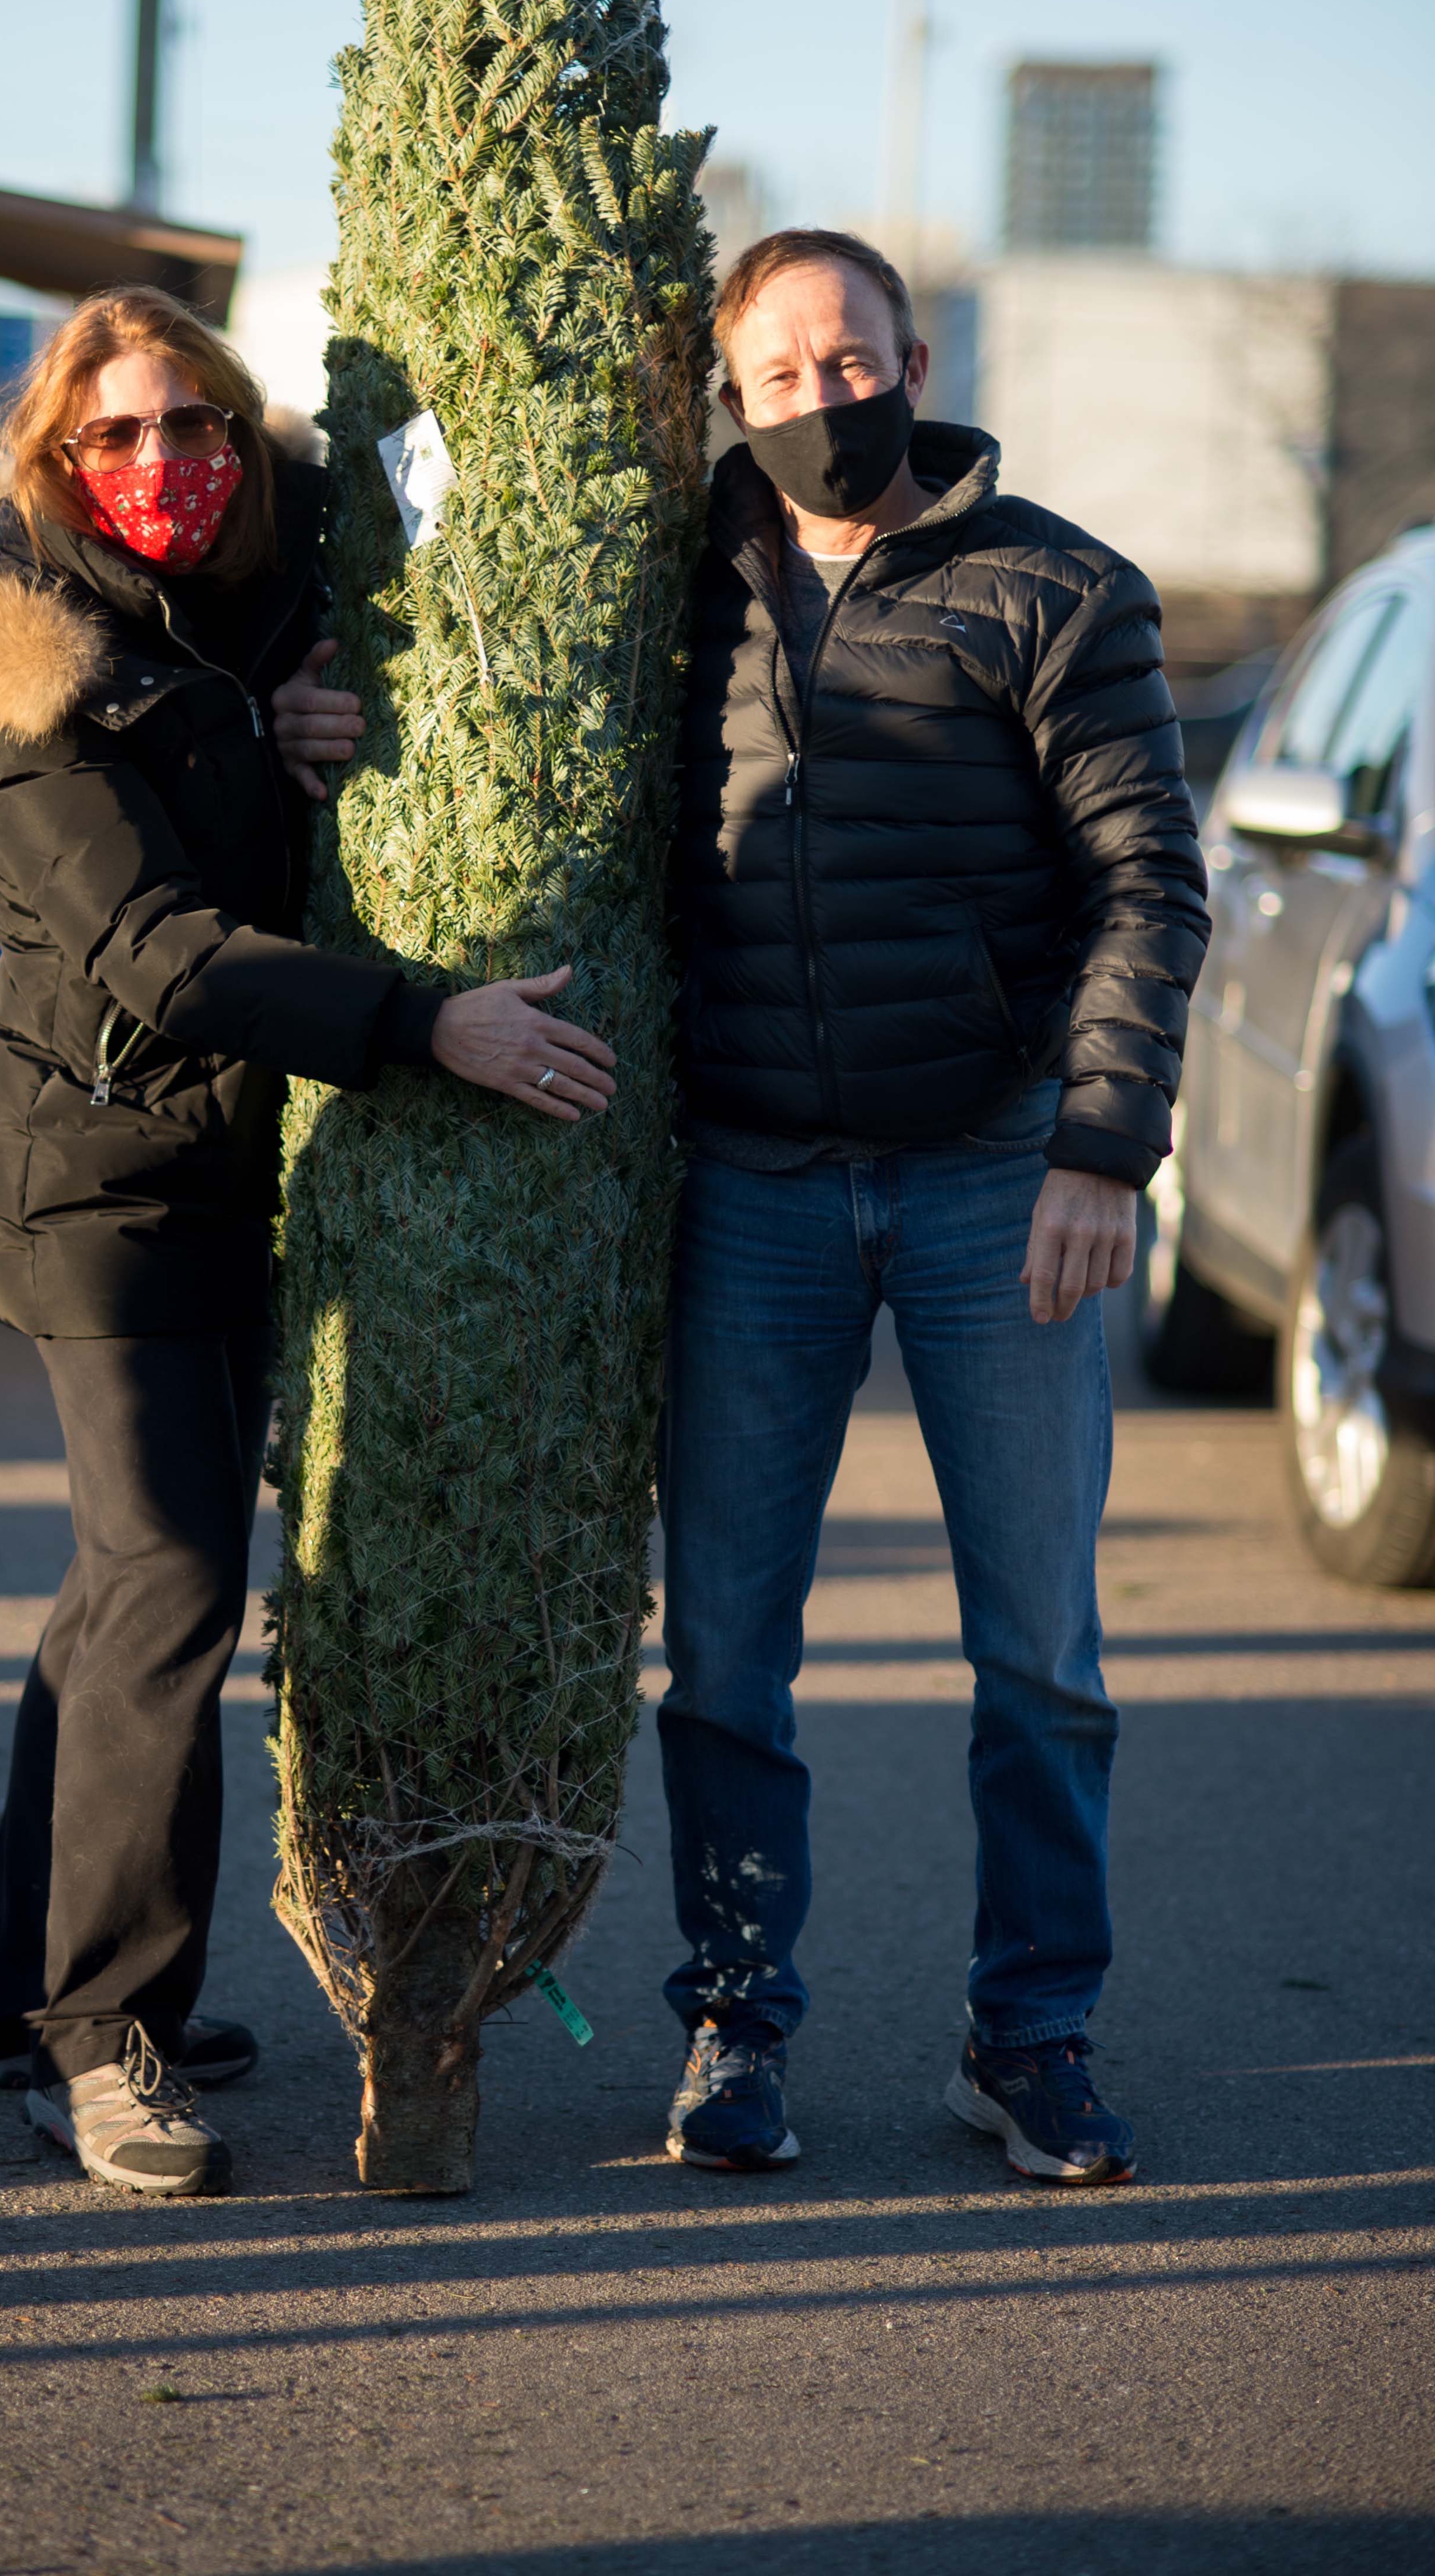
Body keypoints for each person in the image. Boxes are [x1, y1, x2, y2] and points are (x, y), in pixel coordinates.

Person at [277, 227, 1210, 2186]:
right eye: (776, 378)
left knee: (1041, 1652)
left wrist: (1100, 1149)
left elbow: (1148, 885)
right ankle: (733, 2028)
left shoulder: (1054, 587)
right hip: (757, 1197)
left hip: (991, 1186)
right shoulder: (675, 594)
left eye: (849, 363)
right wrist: (318, 717)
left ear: (915, 357)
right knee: (727, 1654)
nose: (819, 402)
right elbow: (478, 690)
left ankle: (1031, 2033)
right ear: (729, 394)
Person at [0, 286, 616, 2197]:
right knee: (176, 1576)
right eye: (116, 437)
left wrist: (285, 744)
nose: (162, 468)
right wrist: (425, 1018)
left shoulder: (257, 609)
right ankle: (102, 2045)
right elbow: (148, 949)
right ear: (53, 456)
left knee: (121, 1591)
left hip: (227, 1168)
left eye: (194, 428)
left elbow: (255, 846)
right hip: (86, 1178)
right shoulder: (17, 657)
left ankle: (7, 1995)